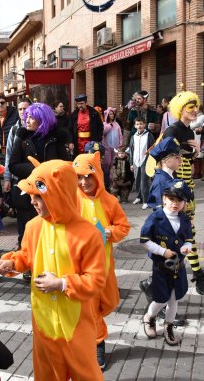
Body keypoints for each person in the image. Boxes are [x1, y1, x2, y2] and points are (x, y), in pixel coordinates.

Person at [0, 159, 106, 381]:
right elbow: (26, 256)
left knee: (86, 372)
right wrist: (12, 263)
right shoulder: (33, 226)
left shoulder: (88, 233)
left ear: (58, 194)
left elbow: (96, 280)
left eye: (39, 196)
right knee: (46, 374)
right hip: (43, 319)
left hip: (76, 321)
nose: (33, 202)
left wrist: (62, 283)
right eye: (32, 196)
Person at [73, 151, 130, 369]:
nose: (84, 182)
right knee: (81, 308)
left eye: (89, 176)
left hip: (101, 265)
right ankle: (88, 343)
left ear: (98, 175)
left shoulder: (109, 200)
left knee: (96, 307)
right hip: (75, 265)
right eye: (79, 176)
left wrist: (110, 232)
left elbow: (123, 227)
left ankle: (97, 343)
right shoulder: (70, 198)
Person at [162, 91, 204, 297]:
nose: (195, 110)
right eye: (190, 107)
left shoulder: (188, 131)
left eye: (196, 107)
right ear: (180, 109)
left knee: (189, 237)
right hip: (176, 194)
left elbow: (185, 159)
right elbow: (167, 162)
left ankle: (196, 278)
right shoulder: (173, 130)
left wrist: (194, 152)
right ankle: (158, 284)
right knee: (177, 240)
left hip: (188, 192)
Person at [9, 103, 69, 263]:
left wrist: (47, 171)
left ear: (42, 120)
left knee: (51, 231)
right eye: (26, 116)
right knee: (27, 232)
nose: (26, 120)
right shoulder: (22, 137)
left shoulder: (57, 138)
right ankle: (27, 264)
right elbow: (13, 165)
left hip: (51, 194)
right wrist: (37, 170)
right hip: (28, 196)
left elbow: (65, 164)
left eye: (31, 117)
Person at [141, 181, 193, 346]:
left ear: (185, 203)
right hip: (161, 267)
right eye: (171, 199)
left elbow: (189, 240)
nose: (175, 203)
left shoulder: (184, 219)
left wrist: (186, 248)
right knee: (161, 298)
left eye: (179, 200)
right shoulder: (155, 217)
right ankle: (149, 316)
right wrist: (163, 252)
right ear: (164, 198)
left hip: (178, 266)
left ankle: (168, 326)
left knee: (174, 298)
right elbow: (144, 241)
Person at [129, 117, 155, 209]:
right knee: (137, 180)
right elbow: (131, 150)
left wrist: (151, 162)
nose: (139, 126)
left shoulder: (149, 135)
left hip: (145, 161)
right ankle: (139, 197)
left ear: (144, 124)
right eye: (137, 124)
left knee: (144, 181)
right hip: (136, 161)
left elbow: (152, 148)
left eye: (141, 124)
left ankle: (146, 201)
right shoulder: (133, 136)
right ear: (135, 125)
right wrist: (131, 163)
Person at [102, 106, 123, 181]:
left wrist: (120, 144)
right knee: (107, 162)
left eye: (113, 114)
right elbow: (103, 132)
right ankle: (106, 178)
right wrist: (109, 126)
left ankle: (112, 178)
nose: (112, 115)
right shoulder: (104, 124)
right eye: (110, 114)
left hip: (115, 147)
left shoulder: (117, 124)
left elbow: (120, 135)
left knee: (114, 163)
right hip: (107, 146)